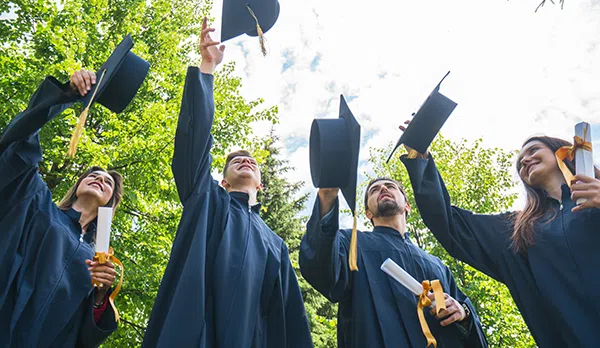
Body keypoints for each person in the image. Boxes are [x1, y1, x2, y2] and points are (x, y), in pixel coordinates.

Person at [142, 18, 313, 348]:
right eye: (236, 160)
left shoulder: (275, 244)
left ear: (261, 185)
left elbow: (287, 318)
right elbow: (193, 146)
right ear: (222, 180)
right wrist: (207, 70)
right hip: (196, 330)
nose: (245, 160)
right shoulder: (206, 199)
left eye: (252, 161)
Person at [400, 133, 600, 347]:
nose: (525, 160)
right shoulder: (518, 230)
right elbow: (449, 224)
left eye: (533, 150)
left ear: (560, 151)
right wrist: (420, 158)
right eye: (521, 162)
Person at [0, 70, 121, 347]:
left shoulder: (100, 260)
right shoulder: (37, 202)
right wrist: (66, 95)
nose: (100, 178)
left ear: (111, 204)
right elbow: (18, 147)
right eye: (93, 175)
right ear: (77, 186)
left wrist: (101, 295)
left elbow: (84, 335)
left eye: (107, 182)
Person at [299, 177, 488, 348]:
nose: (383, 189)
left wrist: (463, 314)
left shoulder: (437, 266)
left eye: (390, 187)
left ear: (407, 206)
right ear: (368, 214)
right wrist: (327, 196)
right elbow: (320, 264)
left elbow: (467, 325)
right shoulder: (351, 244)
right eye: (374, 190)